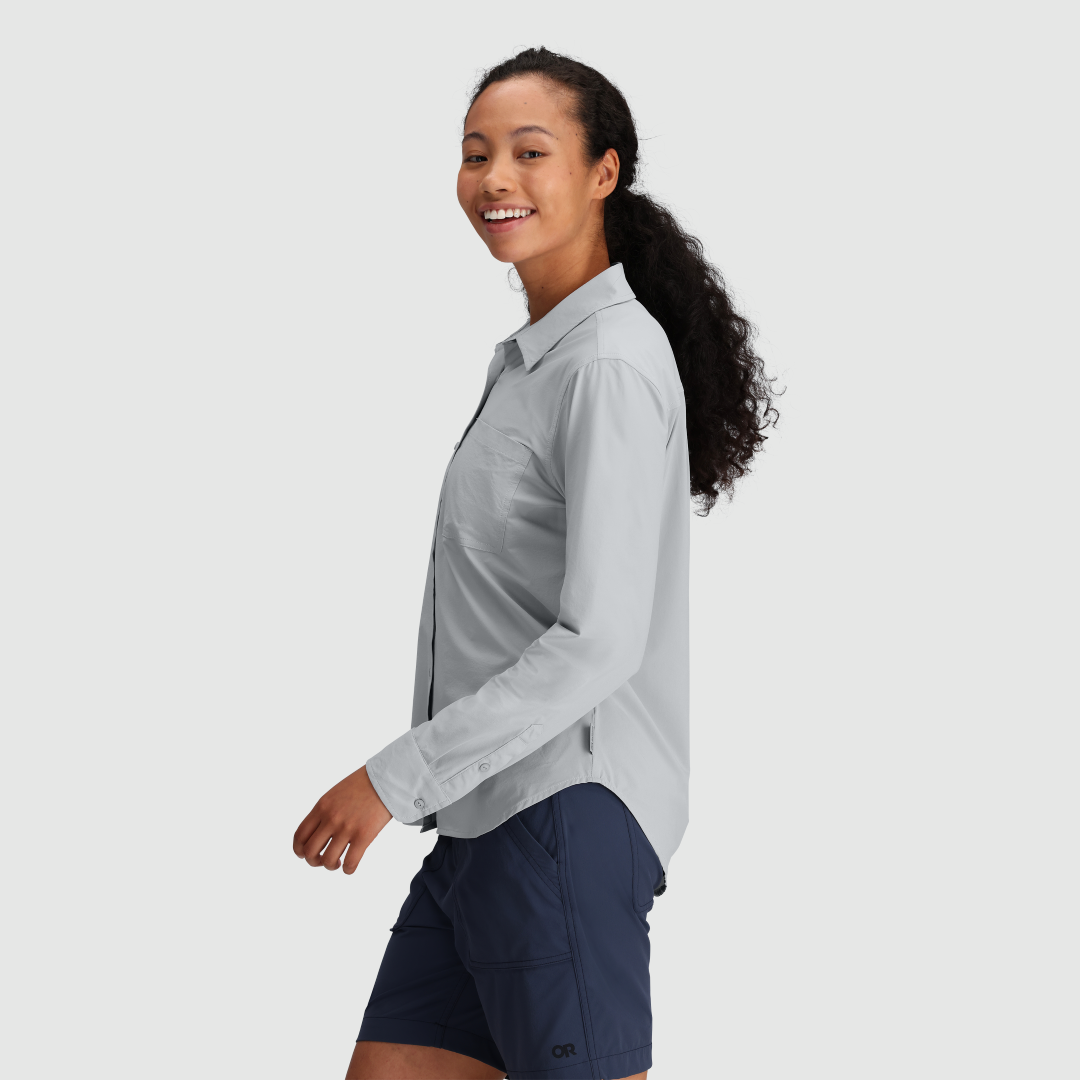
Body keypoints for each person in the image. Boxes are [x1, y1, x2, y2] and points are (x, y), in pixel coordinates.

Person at [293, 46, 776, 1080]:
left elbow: (599, 640)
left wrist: (391, 779)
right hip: (483, 821)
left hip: (559, 815)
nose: (494, 178)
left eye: (528, 151)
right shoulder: (536, 361)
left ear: (603, 172)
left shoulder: (605, 365)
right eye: (476, 154)